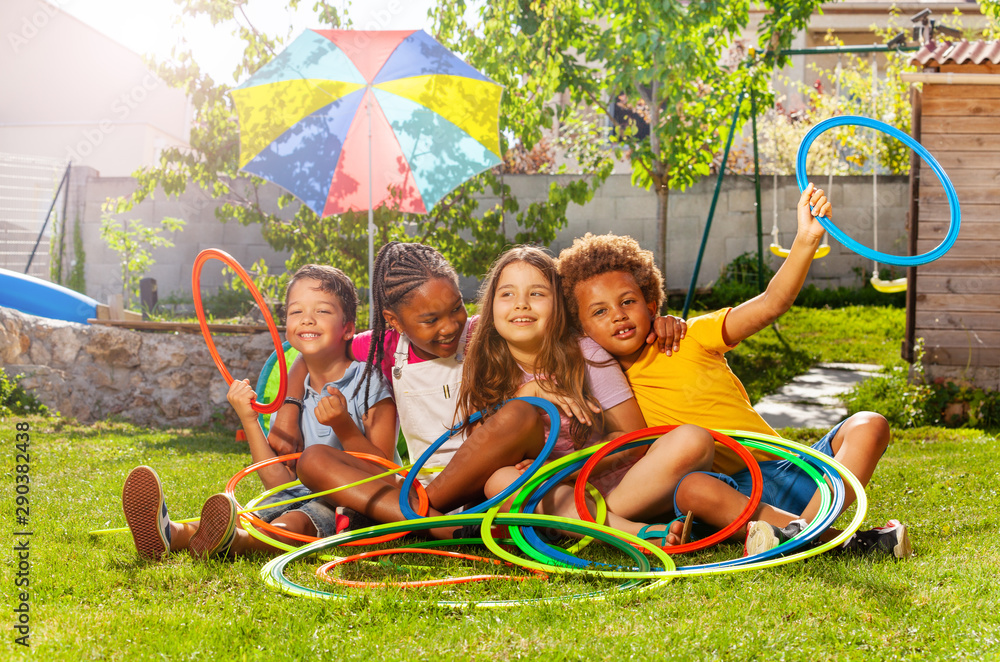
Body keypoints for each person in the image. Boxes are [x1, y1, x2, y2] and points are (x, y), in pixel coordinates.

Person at [556, 183, 911, 559]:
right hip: (729, 493)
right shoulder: (605, 387)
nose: (618, 315)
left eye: (628, 301)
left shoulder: (691, 336)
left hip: (791, 467)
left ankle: (805, 535)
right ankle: (827, 541)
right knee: (691, 488)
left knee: (869, 424)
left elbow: (772, 303)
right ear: (581, 328)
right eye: (599, 311)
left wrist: (806, 240)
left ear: (651, 303)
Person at [281, 242, 686, 534]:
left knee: (520, 414)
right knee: (313, 459)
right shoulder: (385, 345)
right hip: (420, 485)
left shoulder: (485, 332)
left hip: (485, 484)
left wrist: (658, 319)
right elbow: (315, 346)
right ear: (396, 321)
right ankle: (436, 524)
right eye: (429, 319)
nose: (450, 325)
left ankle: (418, 515)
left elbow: (587, 315)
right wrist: (291, 399)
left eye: (456, 306)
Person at [121, 264, 396, 560]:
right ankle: (172, 533)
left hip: (354, 502)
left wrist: (344, 426)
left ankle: (238, 543)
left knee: (297, 520)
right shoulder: (291, 395)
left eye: (323, 312)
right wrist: (248, 419)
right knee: (253, 511)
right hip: (298, 494)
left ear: (349, 329)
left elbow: (385, 476)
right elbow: (278, 484)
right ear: (286, 327)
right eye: (296, 312)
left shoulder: (369, 384)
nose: (307, 320)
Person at [467, 247, 714, 537]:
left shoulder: (586, 353)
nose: (521, 304)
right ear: (491, 305)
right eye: (507, 294)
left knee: (693, 440)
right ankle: (632, 533)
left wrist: (564, 468)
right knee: (499, 481)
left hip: (620, 486)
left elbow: (631, 439)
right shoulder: (483, 364)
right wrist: (525, 394)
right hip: (552, 492)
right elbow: (480, 453)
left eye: (536, 294)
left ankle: (582, 525)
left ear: (558, 304)